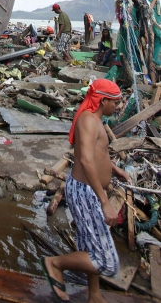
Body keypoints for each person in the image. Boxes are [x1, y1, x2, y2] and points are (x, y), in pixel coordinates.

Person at [40, 79, 130, 303]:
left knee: (90, 244)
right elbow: (86, 160)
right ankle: (55, 264)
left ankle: (94, 295)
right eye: (115, 103)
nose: (118, 107)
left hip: (88, 190)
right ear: (102, 100)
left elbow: (99, 153)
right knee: (107, 262)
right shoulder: (88, 120)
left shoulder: (96, 120)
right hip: (85, 191)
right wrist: (104, 202)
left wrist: (115, 169)